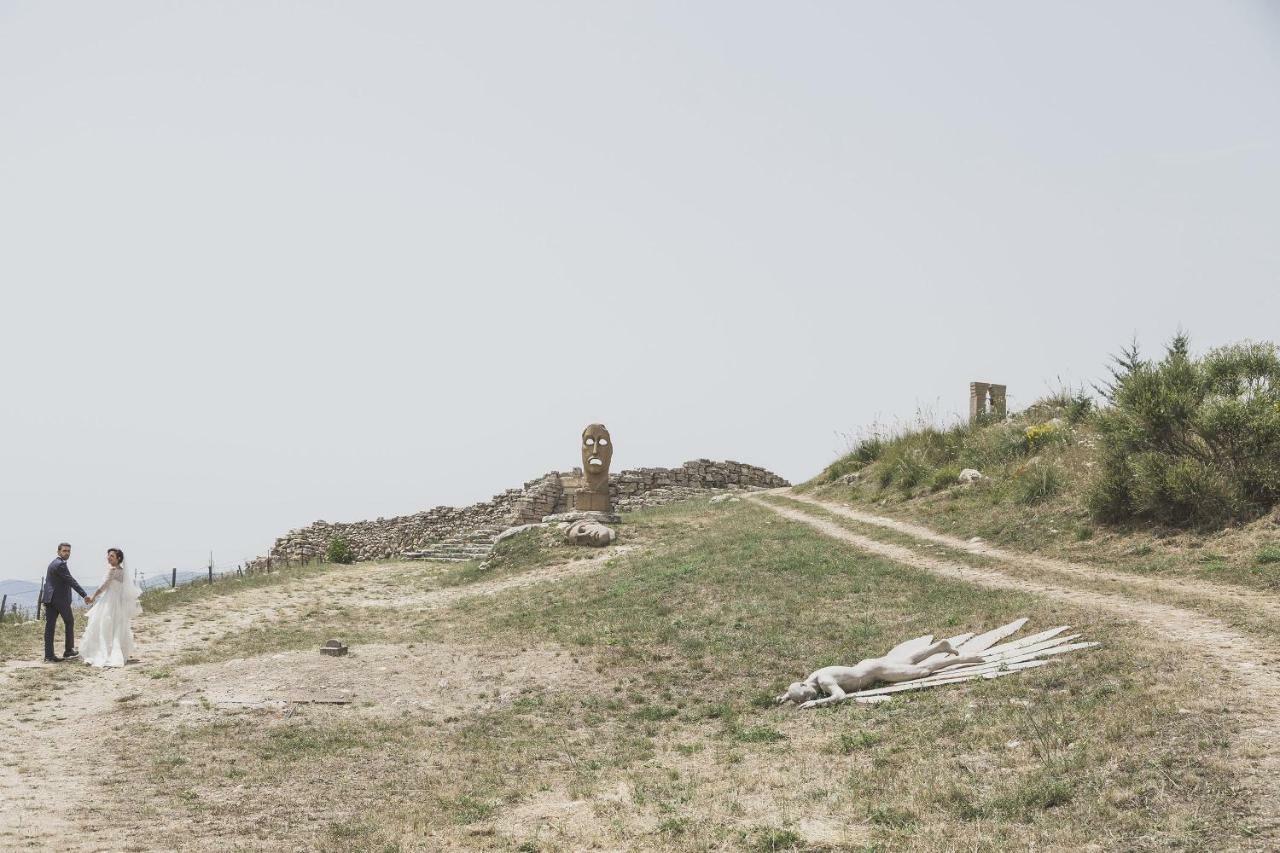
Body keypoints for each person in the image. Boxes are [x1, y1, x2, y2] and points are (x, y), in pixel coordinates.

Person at [80, 547, 142, 668]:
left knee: (103, 626)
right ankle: (116, 652)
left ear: (118, 558)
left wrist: (93, 597)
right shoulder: (123, 571)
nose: (109, 557)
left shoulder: (112, 570)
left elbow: (104, 586)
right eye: (108, 555)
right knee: (116, 627)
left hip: (109, 602)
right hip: (118, 602)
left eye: (112, 556)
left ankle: (104, 652)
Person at [42, 542, 91, 663]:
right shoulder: (60, 564)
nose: (67, 553)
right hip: (59, 600)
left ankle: (48, 656)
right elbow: (71, 580)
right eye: (64, 551)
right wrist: (84, 594)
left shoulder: (53, 563)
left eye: (68, 551)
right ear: (58, 552)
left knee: (50, 628)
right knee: (69, 622)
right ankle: (68, 650)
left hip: (50, 599)